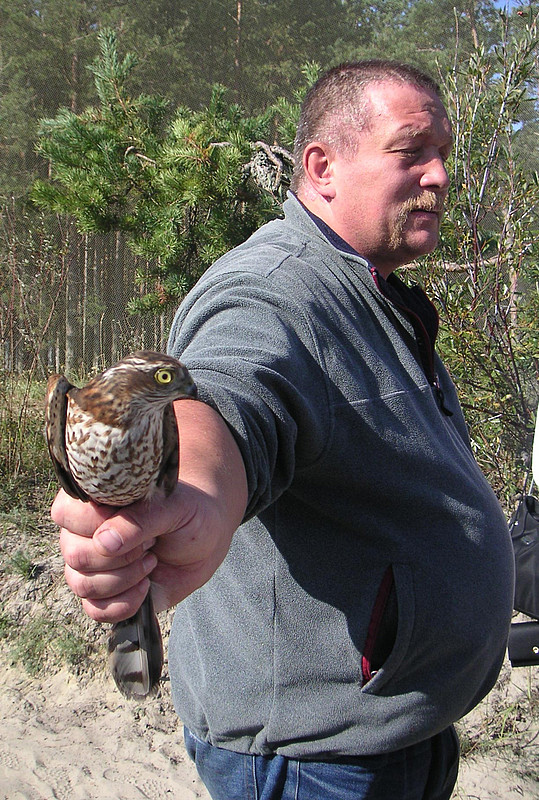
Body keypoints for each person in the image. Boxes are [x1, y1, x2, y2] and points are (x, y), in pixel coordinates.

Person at [52, 61, 515, 800]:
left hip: (394, 731)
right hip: (315, 762)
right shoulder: (273, 287)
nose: (438, 175)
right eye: (411, 151)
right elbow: (230, 394)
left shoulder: (366, 286)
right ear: (322, 167)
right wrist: (195, 495)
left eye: (444, 154)